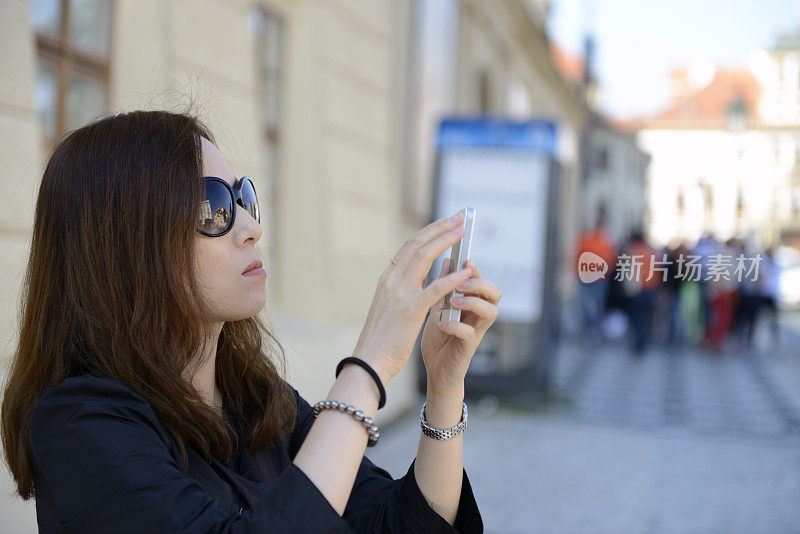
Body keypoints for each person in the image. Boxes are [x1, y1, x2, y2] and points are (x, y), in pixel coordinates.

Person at [0, 110, 499, 532]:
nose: (253, 229)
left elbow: (395, 522)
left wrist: (443, 388)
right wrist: (367, 366)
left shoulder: (258, 400)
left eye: (244, 198)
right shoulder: (81, 426)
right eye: (213, 207)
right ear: (127, 247)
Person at [574, 210, 617, 344]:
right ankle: (587, 328)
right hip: (585, 276)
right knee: (584, 304)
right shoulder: (587, 238)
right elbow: (578, 255)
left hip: (599, 278)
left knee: (598, 305)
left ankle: (596, 329)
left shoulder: (607, 240)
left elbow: (612, 258)